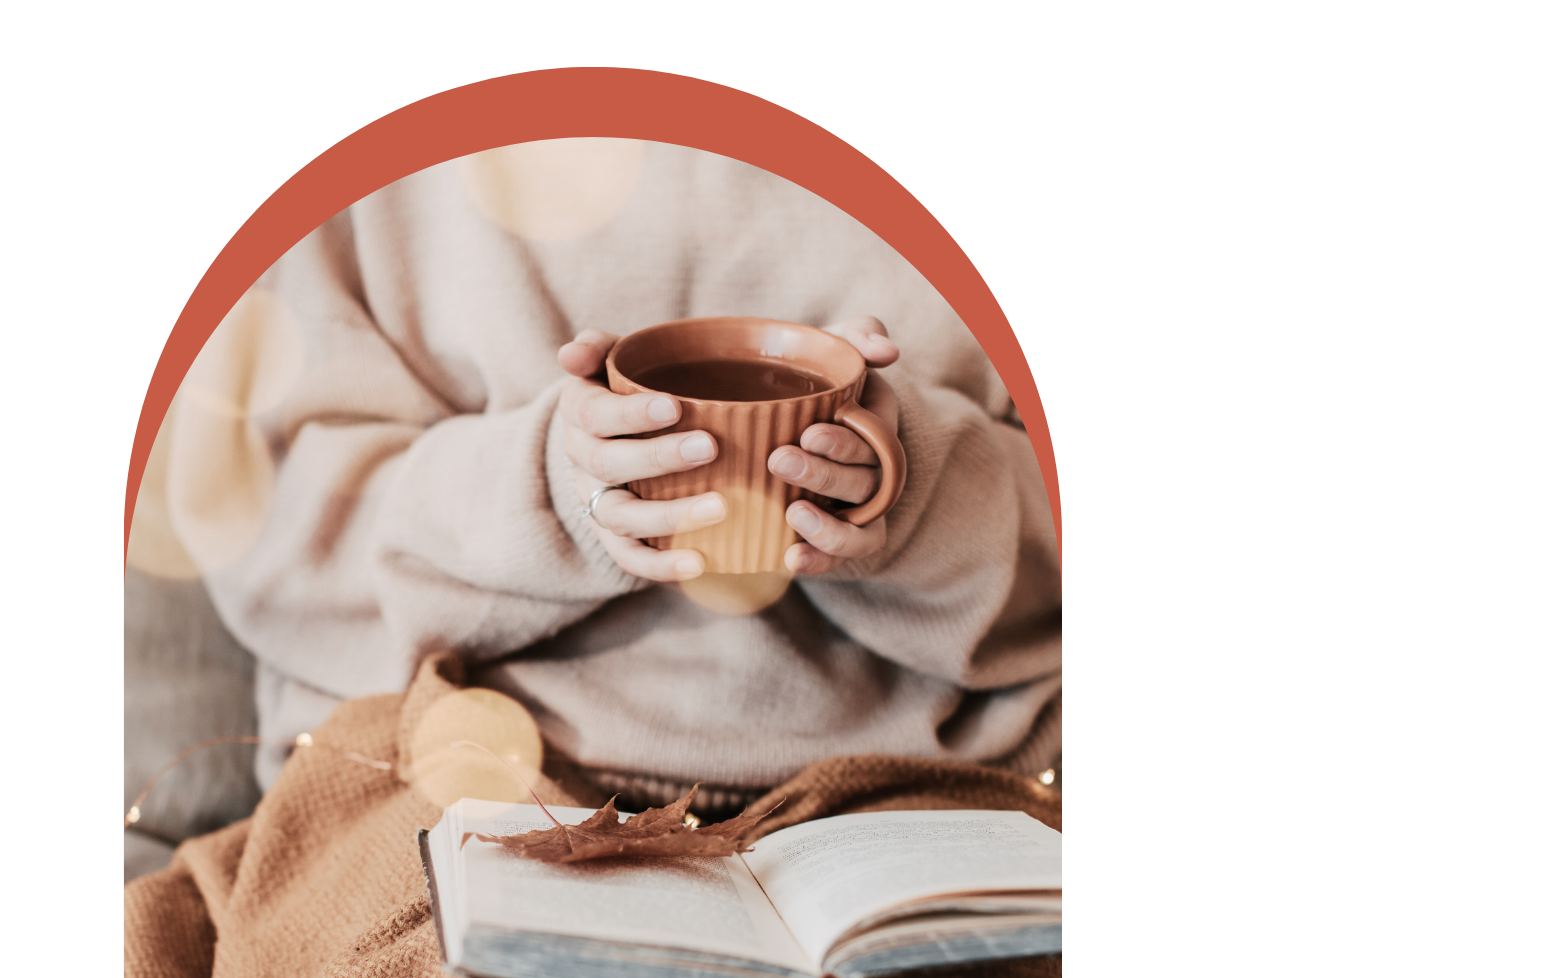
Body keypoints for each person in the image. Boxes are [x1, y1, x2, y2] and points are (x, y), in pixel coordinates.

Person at [167, 140, 1061, 807]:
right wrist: (554, 491)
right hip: (449, 769)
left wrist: (910, 487)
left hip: (921, 792)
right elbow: (274, 528)